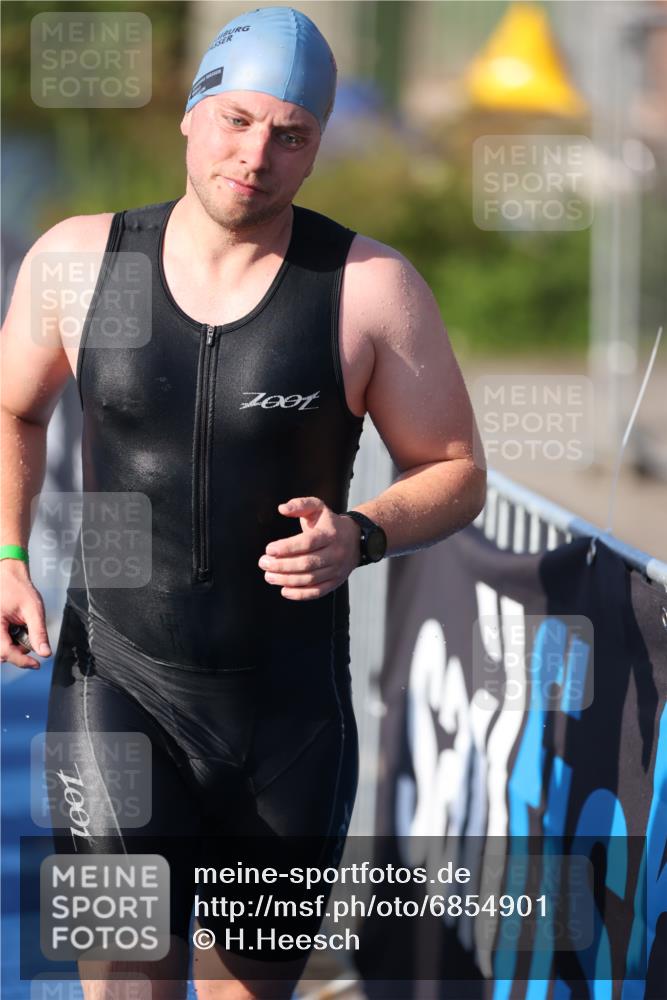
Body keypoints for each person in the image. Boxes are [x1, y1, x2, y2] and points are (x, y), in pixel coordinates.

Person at [0, 6, 486, 999]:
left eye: (289, 133)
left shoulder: (366, 288)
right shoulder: (81, 263)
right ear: (192, 114)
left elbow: (455, 468)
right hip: (112, 689)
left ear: (315, 147)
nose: (256, 154)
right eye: (237, 120)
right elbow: (13, 411)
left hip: (285, 714)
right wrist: (6, 555)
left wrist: (363, 532)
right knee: (123, 979)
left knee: (245, 991)